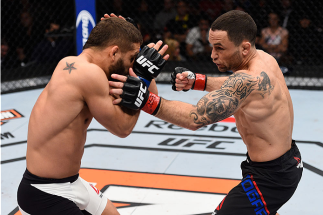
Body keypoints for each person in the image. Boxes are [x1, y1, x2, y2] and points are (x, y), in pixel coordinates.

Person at [109, 10, 302, 215]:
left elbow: (195, 118)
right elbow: (233, 85)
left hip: (272, 178)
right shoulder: (263, 59)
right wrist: (197, 81)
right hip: (284, 162)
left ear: (244, 48)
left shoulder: (248, 80)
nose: (213, 55)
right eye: (212, 47)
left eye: (220, 48)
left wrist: (145, 100)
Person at [17, 14, 168, 215]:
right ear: (114, 52)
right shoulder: (88, 75)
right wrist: (143, 76)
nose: (132, 64)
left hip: (71, 182)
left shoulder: (76, 64)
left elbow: (149, 98)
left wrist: (144, 73)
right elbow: (123, 128)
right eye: (132, 58)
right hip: (44, 192)